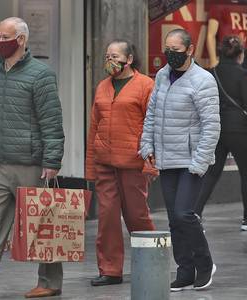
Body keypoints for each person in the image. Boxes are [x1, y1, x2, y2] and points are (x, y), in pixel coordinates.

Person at [0, 17, 64, 299]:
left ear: (21, 40)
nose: (0, 42)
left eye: (6, 37)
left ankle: (50, 282)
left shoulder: (41, 75)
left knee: (42, 225)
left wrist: (52, 162)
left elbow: (52, 122)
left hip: (31, 164)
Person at [140, 29, 220, 292]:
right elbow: (152, 113)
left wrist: (200, 162)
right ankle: (185, 270)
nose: (170, 55)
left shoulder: (203, 80)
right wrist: (147, 144)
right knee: (174, 218)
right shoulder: (162, 76)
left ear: (190, 49)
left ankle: (205, 264)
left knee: (185, 213)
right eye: (167, 50)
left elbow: (211, 126)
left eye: (175, 50)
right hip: (167, 158)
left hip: (191, 160)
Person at [85, 39, 156, 286]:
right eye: (107, 56)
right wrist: (90, 166)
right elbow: (94, 126)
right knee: (107, 218)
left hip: (133, 163)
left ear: (129, 59)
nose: (110, 61)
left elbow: (154, 125)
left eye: (114, 56)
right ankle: (110, 270)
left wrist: (151, 163)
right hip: (105, 163)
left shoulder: (146, 85)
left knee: (138, 216)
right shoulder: (102, 87)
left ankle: (151, 263)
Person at [195, 35, 247, 231]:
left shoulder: (212, 73)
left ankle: (195, 214)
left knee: (212, 173)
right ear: (240, 55)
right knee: (246, 175)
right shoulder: (244, 75)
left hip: (217, 128)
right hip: (241, 131)